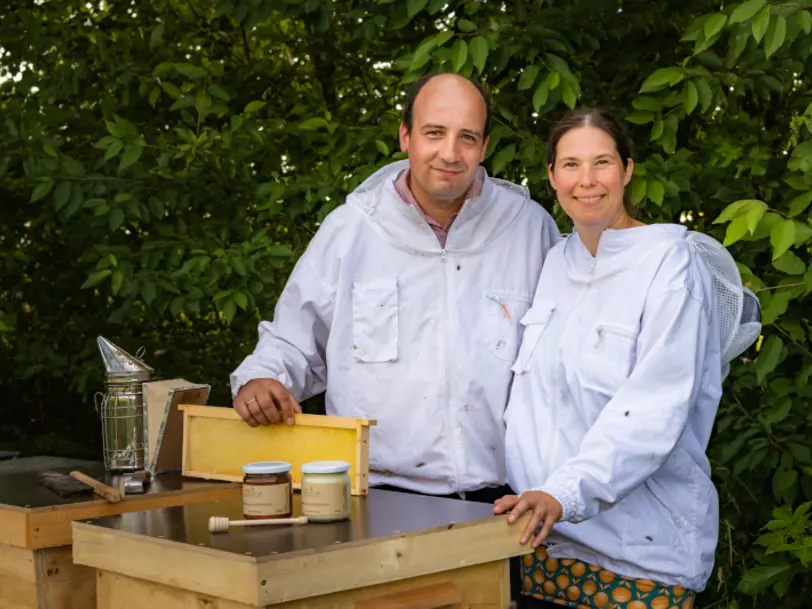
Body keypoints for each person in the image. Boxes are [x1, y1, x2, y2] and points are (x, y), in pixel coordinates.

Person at [230, 72, 561, 504]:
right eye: (434, 133)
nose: (450, 153)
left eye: (467, 137)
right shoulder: (352, 229)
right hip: (374, 497)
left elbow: (566, 356)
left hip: (504, 502)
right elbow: (294, 340)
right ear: (405, 136)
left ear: (484, 147)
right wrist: (259, 378)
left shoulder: (529, 228)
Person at [493, 107, 760, 609]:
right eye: (570, 165)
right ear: (551, 176)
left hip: (640, 561)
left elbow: (651, 411)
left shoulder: (670, 264)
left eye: (602, 163)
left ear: (628, 170)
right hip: (544, 550)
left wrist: (563, 495)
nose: (587, 180)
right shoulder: (555, 261)